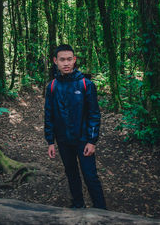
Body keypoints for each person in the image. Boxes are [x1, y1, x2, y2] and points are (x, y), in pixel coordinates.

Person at [44, 44, 106, 209]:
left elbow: (94, 114)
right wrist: (50, 141)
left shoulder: (86, 84)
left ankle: (102, 211)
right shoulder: (52, 86)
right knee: (71, 174)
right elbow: (48, 115)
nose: (66, 63)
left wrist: (92, 141)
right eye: (62, 60)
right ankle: (78, 206)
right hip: (63, 141)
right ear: (55, 61)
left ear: (74, 60)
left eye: (69, 59)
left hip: (83, 140)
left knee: (90, 176)